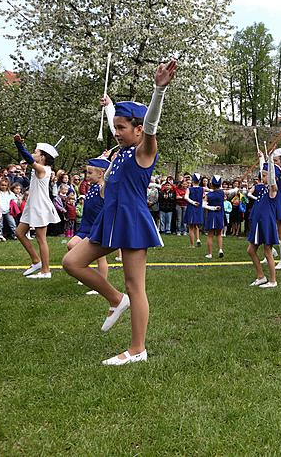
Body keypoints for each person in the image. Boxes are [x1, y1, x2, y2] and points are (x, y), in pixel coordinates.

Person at [62, 60, 177, 366]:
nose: (116, 133)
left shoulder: (144, 150)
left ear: (138, 130)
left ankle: (138, 349)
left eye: (122, 128)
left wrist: (158, 90)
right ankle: (115, 300)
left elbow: (150, 124)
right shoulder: (123, 149)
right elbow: (124, 121)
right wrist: (112, 107)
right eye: (115, 128)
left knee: (135, 285)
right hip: (109, 220)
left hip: (132, 221)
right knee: (72, 262)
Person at [13, 135, 61, 279]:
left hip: (39, 206)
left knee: (41, 239)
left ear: (42, 157)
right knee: (19, 233)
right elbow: (30, 158)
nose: (34, 153)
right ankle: (36, 261)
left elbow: (29, 159)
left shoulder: (43, 169)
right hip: (32, 205)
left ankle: (46, 271)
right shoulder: (41, 167)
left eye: (36, 151)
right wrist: (23, 148)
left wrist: (19, 145)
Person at [67, 156, 110, 295]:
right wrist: (102, 157)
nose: (87, 176)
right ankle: (86, 273)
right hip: (85, 225)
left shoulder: (103, 188)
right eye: (87, 172)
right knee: (71, 245)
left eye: (90, 173)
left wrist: (112, 163)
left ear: (101, 173)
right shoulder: (92, 187)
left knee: (100, 257)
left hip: (96, 226)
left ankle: (100, 285)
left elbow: (109, 179)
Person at [247, 153, 280, 288]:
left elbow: (272, 180)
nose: (263, 177)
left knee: (267, 251)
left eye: (265, 175)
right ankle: (261, 276)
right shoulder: (263, 188)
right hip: (258, 222)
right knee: (250, 250)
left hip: (266, 223)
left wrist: (271, 162)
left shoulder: (273, 190)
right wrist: (262, 158)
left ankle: (273, 280)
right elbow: (264, 170)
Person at [203, 175, 226, 258]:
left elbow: (203, 205)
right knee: (219, 233)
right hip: (220, 215)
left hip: (212, 215)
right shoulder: (222, 193)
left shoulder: (209, 195)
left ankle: (210, 254)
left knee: (210, 235)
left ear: (212, 184)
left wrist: (213, 208)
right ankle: (220, 249)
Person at [183, 173, 204, 247]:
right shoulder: (202, 189)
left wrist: (193, 202)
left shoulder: (189, 189)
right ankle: (198, 239)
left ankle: (192, 245)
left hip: (191, 208)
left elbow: (186, 197)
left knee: (191, 227)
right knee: (196, 226)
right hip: (199, 208)